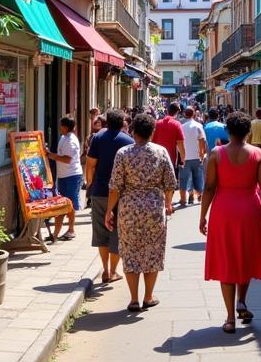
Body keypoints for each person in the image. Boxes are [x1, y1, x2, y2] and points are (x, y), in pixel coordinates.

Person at [201, 111, 261, 333]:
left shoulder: (216, 154)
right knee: (244, 255)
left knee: (228, 260)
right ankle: (242, 301)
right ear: (248, 132)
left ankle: (229, 318)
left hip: (223, 211)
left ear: (228, 131)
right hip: (250, 209)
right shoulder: (257, 154)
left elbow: (209, 187)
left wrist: (202, 217)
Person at [106, 112, 177, 312]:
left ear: (133, 131)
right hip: (154, 209)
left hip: (129, 209)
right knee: (153, 251)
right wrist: (168, 203)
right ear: (152, 132)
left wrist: (109, 211)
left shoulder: (123, 153)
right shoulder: (161, 152)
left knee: (130, 252)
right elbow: (170, 183)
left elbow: (115, 187)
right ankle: (148, 296)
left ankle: (134, 299)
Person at [86, 109, 133, 284]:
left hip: (99, 191)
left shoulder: (98, 138)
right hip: (121, 194)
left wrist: (89, 183)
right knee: (118, 233)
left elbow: (90, 164)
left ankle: (105, 270)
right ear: (122, 123)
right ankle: (113, 271)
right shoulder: (128, 141)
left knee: (101, 233)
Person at [46, 117, 82, 242]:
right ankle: (58, 233)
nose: (60, 127)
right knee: (65, 204)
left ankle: (69, 230)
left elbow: (67, 159)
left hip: (71, 175)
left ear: (65, 127)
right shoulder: (63, 138)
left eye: (61, 125)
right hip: (64, 175)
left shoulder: (71, 140)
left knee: (68, 204)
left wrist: (50, 155)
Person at [151, 102, 185, 204]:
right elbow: (180, 144)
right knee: (170, 184)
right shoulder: (176, 124)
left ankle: (161, 203)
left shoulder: (157, 123)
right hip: (171, 159)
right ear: (177, 113)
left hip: (157, 159)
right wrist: (183, 159)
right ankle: (167, 204)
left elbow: (152, 140)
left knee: (159, 183)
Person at [179, 106, 207, 206]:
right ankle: (200, 195)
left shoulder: (181, 127)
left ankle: (187, 196)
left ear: (184, 114)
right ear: (194, 114)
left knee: (185, 178)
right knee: (198, 177)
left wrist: (181, 156)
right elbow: (202, 140)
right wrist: (202, 153)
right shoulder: (198, 126)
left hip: (185, 157)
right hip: (196, 156)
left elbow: (179, 142)